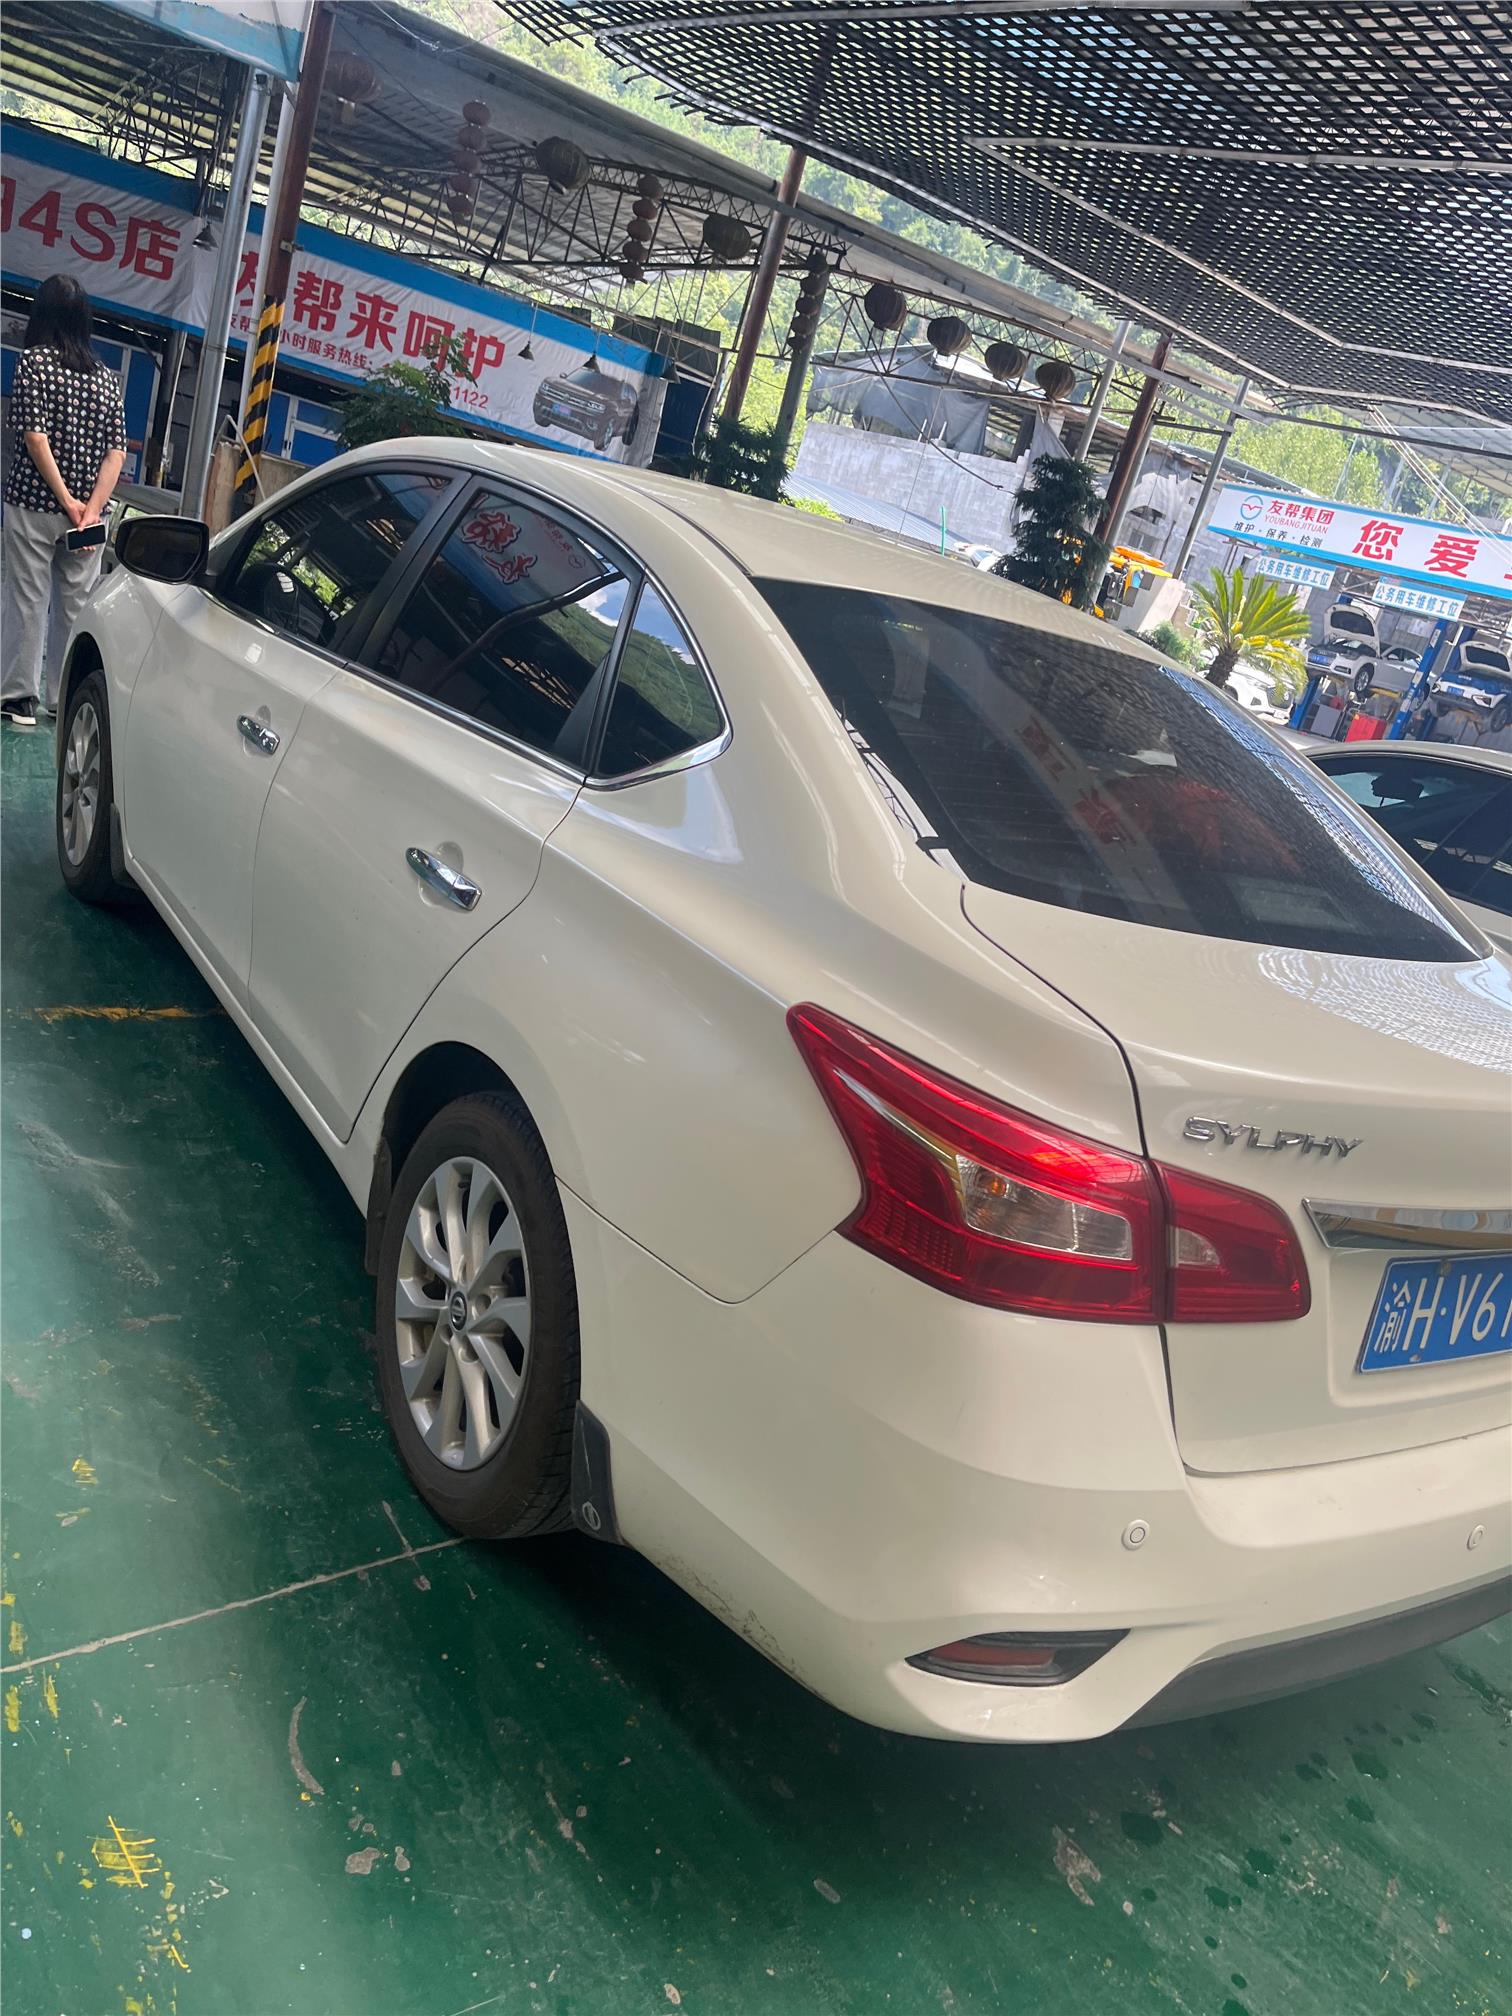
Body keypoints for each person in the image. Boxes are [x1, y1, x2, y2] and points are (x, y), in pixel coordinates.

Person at [2, 276, 127, 728]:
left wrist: (65, 500)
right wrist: (88, 510)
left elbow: (35, 438)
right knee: (74, 606)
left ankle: (19, 699)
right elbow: (117, 452)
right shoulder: (107, 379)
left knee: (27, 599)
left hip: (34, 504)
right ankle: (64, 699)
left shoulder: (33, 362)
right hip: (88, 522)